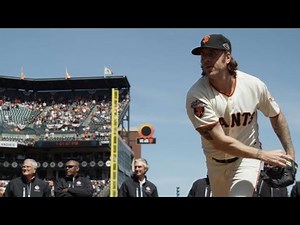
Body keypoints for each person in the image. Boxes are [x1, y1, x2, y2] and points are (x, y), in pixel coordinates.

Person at [186, 34, 295, 197]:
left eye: (212, 54)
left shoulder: (253, 85)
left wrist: (290, 154)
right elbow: (221, 142)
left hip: (247, 160)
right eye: (203, 55)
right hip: (216, 164)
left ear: (227, 57)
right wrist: (264, 155)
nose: (206, 60)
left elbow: (276, 114)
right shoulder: (197, 96)